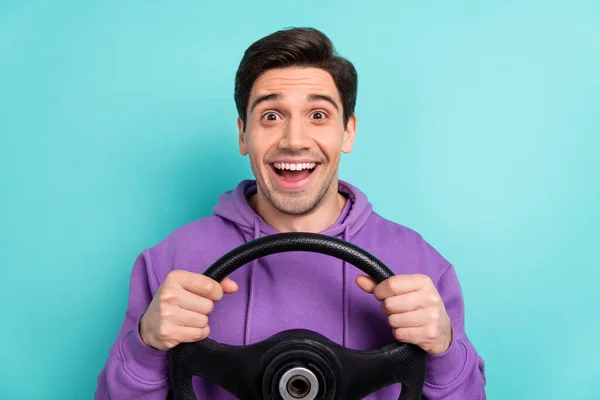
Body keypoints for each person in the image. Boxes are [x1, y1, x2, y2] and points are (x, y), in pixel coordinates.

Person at [94, 27, 486, 399]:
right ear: (243, 134)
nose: (294, 141)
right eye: (271, 116)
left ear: (347, 132)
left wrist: (444, 349)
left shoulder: (421, 268)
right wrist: (145, 344)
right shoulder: (170, 263)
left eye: (318, 115)